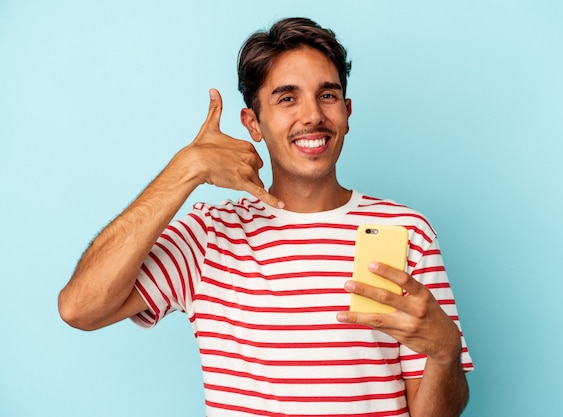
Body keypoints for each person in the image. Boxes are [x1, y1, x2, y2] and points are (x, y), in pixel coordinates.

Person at [59, 17, 473, 417]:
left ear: (347, 112)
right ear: (252, 123)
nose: (312, 115)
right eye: (287, 98)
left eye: (327, 95)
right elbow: (80, 308)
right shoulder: (208, 236)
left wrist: (445, 352)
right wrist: (185, 169)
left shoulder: (406, 231)